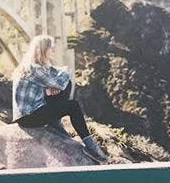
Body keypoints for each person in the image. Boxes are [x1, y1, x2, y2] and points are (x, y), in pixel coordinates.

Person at [11, 35, 107, 163]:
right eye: (51, 48)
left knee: (65, 84)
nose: (54, 51)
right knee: (73, 105)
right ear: (43, 49)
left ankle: (56, 124)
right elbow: (61, 82)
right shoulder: (34, 69)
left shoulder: (35, 67)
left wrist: (52, 86)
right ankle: (91, 146)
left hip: (30, 113)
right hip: (29, 117)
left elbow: (54, 78)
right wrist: (65, 72)